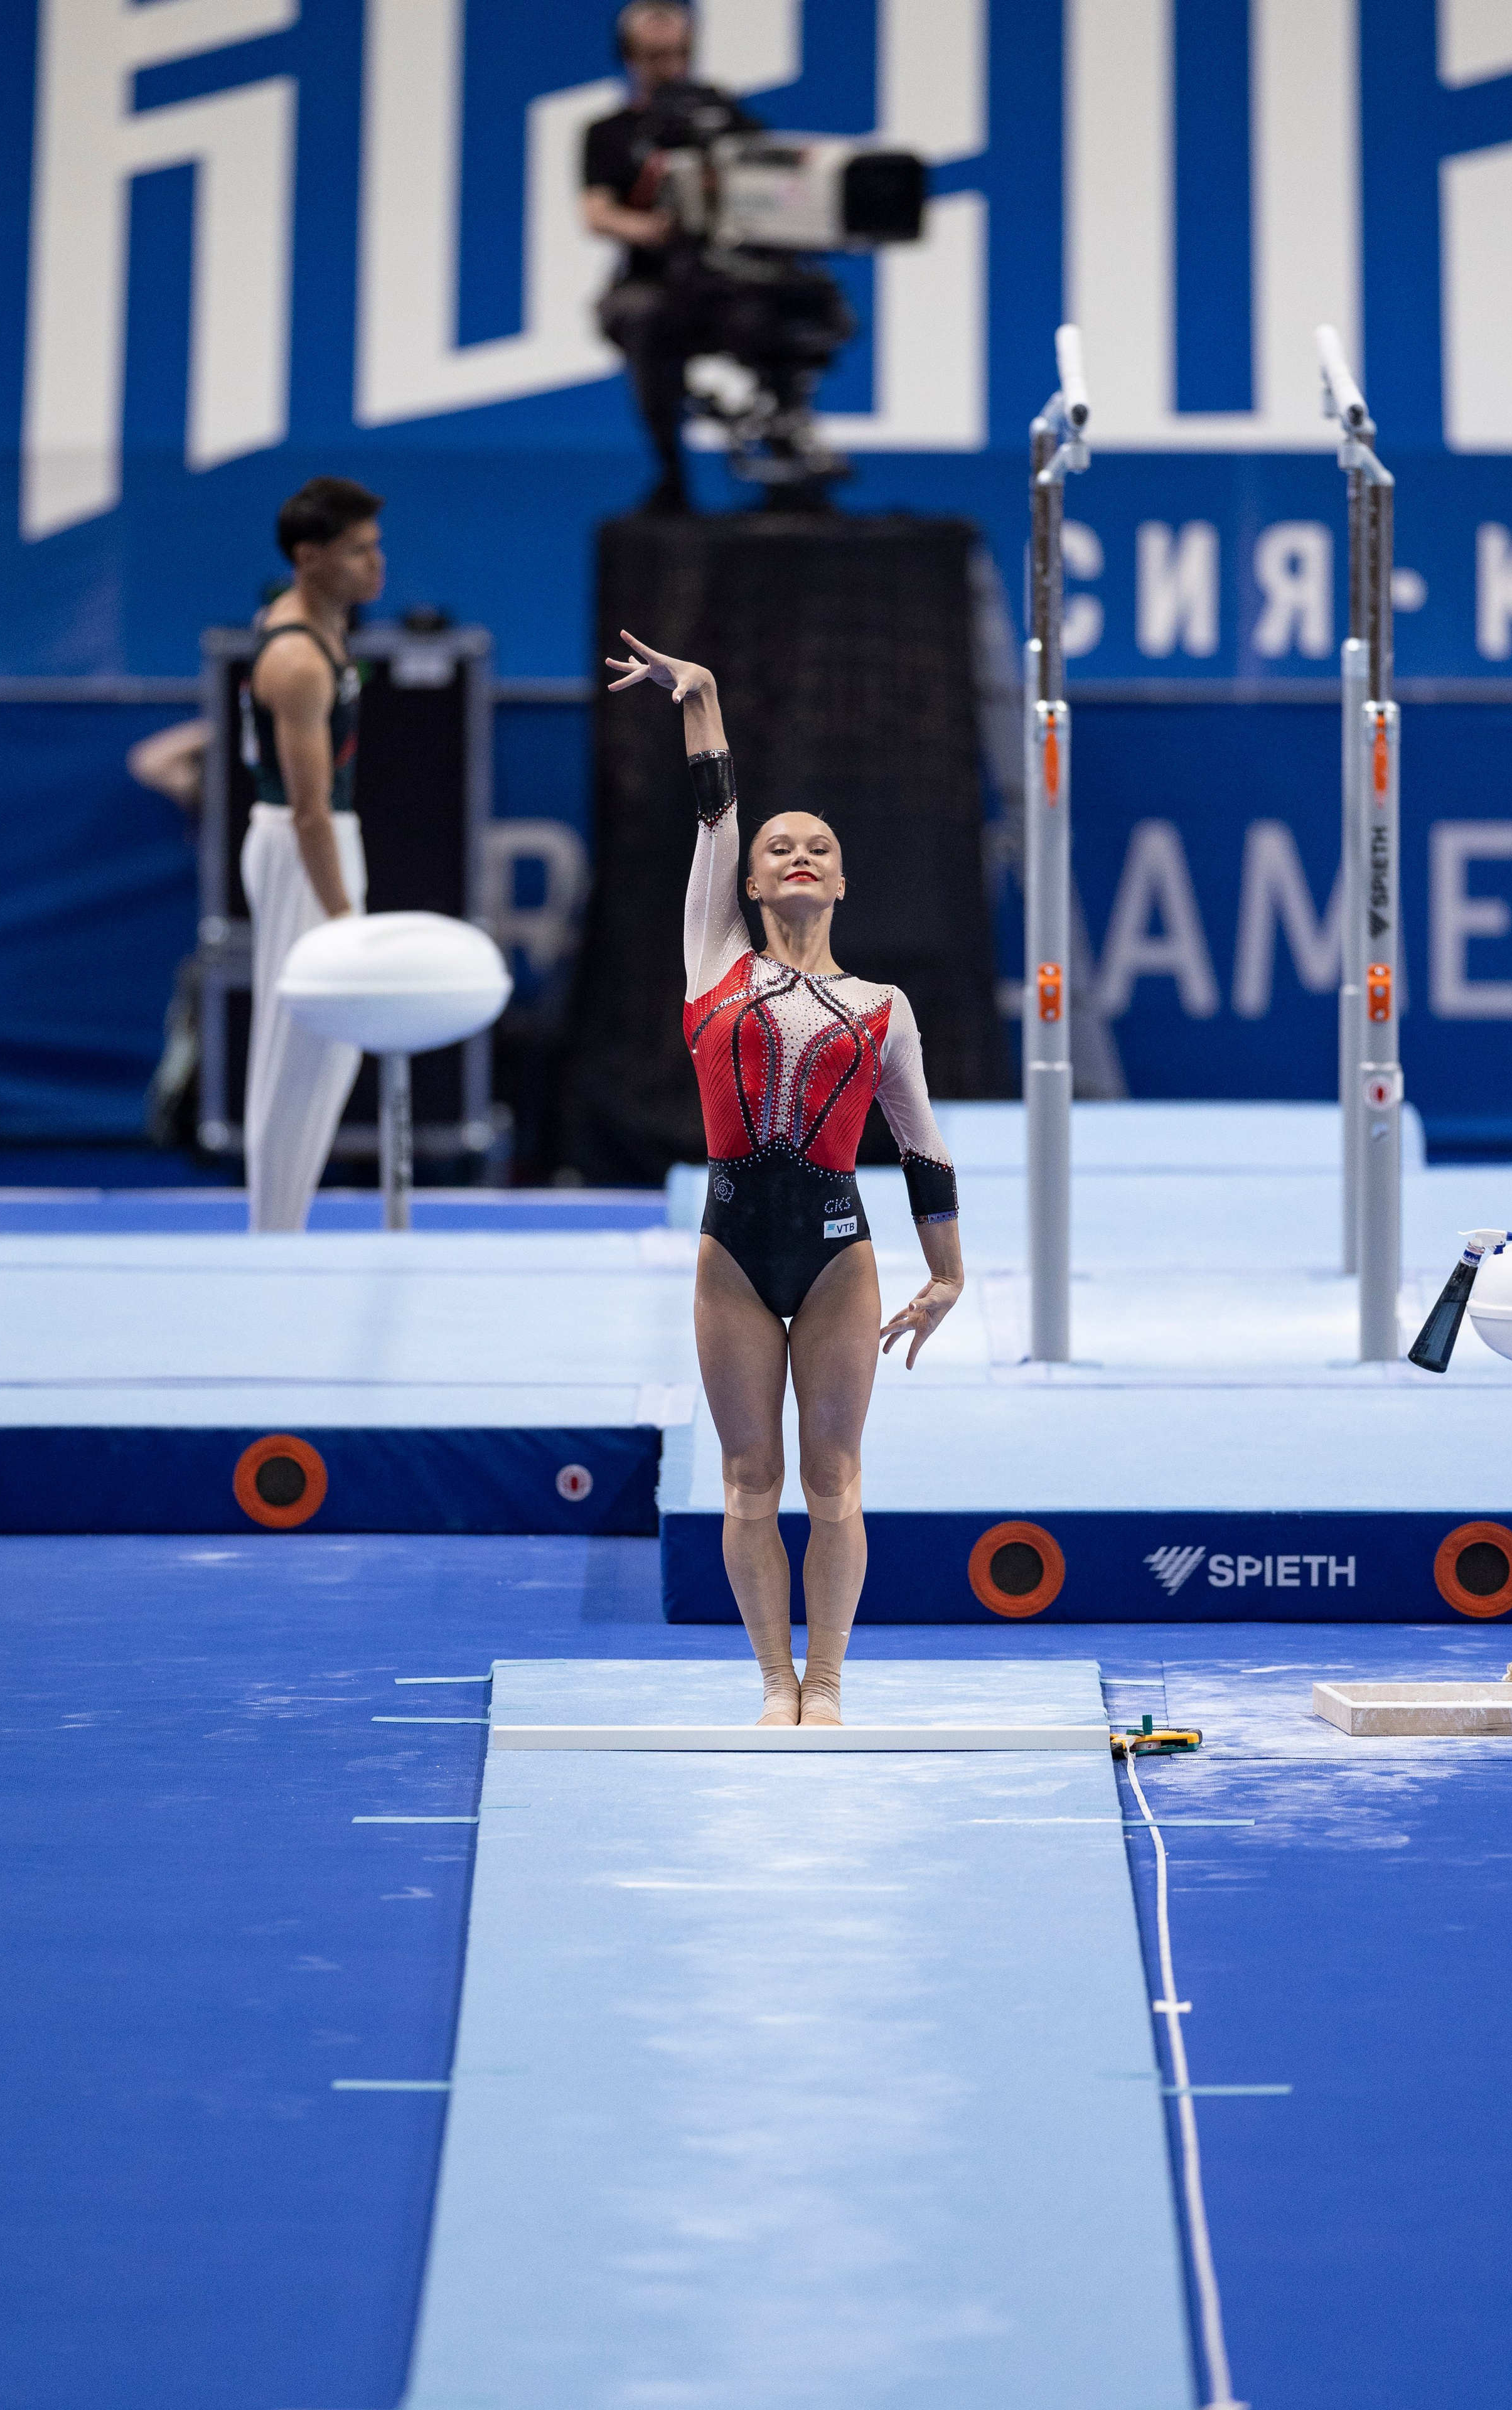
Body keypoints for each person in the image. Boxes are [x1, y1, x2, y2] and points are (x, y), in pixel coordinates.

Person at [606, 631, 965, 1725]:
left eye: (818, 846)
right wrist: (701, 696)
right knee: (749, 1480)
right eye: (778, 849)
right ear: (751, 882)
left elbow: (924, 1147)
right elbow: (714, 811)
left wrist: (946, 1277)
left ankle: (830, 1685)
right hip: (731, 1254)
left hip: (835, 1254)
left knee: (835, 1481)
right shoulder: (714, 961)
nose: (796, 854)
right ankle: (773, 1682)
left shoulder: (883, 1007)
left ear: (845, 879)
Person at [240, 477, 385, 1231]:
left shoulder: (321, 617)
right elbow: (306, 808)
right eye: (358, 551)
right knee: (300, 1045)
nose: (376, 565)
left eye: (375, 545)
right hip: (304, 843)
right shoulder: (296, 659)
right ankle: (273, 1231)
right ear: (308, 557)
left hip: (321, 834)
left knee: (325, 1052)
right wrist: (340, 918)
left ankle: (281, 1223)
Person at [581, 3, 759, 513]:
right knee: (642, 318)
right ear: (630, 58)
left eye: (680, 54)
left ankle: (790, 461)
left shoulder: (727, 119)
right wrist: (653, 230)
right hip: (655, 283)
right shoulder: (610, 133)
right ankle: (672, 474)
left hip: (731, 281)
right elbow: (596, 213)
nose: (670, 68)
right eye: (655, 56)